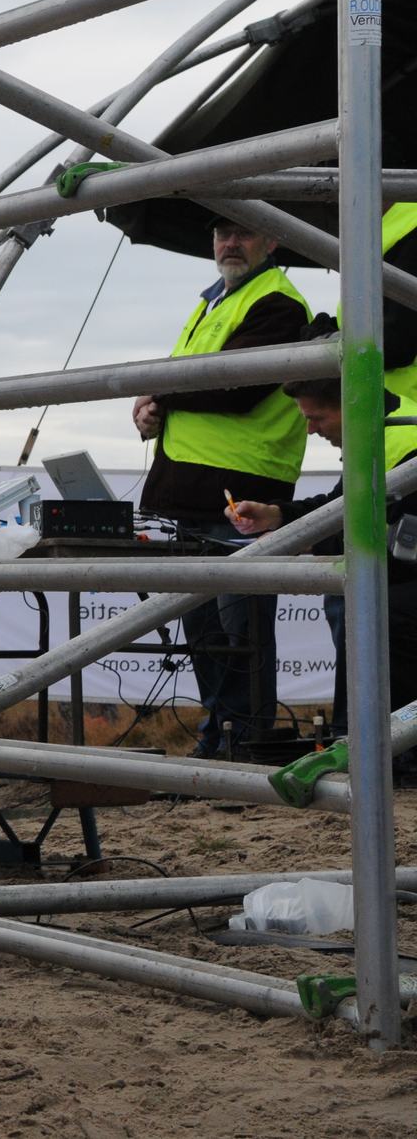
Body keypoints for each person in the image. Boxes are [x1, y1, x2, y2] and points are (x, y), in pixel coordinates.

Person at [132, 217, 309, 759]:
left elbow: (235, 385)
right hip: (190, 492)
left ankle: (246, 742)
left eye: (244, 233)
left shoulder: (278, 302)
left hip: (242, 497)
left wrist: (159, 391)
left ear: (271, 240)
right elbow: (194, 382)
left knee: (240, 634)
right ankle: (221, 737)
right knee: (207, 632)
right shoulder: (214, 301)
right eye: (220, 233)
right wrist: (150, 410)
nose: (231, 243)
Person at [227, 377, 417, 758]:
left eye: (317, 418)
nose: (310, 430)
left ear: (349, 405)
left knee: (372, 607)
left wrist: (308, 541)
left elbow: (398, 545)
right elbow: (339, 508)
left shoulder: (404, 443)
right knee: (363, 602)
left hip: (402, 591)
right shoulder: (379, 431)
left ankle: (371, 748)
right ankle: (364, 744)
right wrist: (277, 515)